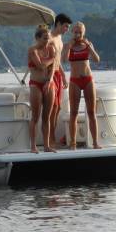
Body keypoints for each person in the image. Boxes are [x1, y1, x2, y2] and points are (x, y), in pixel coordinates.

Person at [61, 21, 101, 149]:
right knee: (74, 112)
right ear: (72, 32)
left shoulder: (88, 44)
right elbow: (64, 60)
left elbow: (96, 60)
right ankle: (73, 142)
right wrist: (68, 46)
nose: (78, 34)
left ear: (83, 33)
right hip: (75, 80)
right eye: (76, 32)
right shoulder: (68, 45)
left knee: (91, 112)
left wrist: (89, 48)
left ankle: (95, 142)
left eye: (80, 32)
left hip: (88, 79)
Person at [27, 26, 57, 153]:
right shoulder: (32, 50)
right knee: (35, 116)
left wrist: (49, 80)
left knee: (47, 116)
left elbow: (53, 68)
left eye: (49, 38)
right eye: (45, 38)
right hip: (35, 84)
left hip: (48, 83)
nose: (47, 40)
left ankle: (46, 145)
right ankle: (33, 146)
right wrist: (53, 58)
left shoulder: (50, 48)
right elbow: (40, 65)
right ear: (37, 38)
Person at [48, 13, 72, 147]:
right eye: (66, 26)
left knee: (57, 108)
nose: (67, 29)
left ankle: (52, 137)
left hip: (57, 74)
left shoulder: (60, 38)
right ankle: (49, 139)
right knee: (51, 108)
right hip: (49, 74)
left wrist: (63, 75)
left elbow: (58, 60)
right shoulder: (49, 37)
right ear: (58, 24)